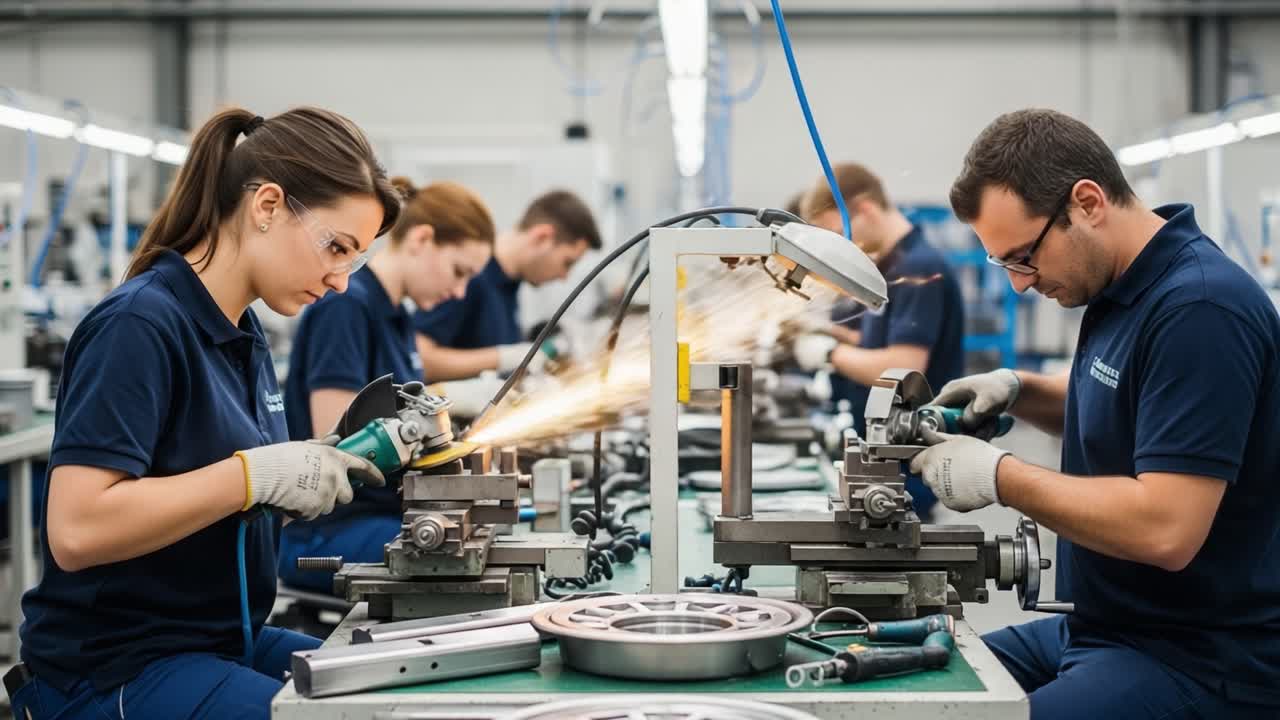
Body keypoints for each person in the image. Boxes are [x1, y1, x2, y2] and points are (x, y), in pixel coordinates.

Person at [9, 107, 400, 720]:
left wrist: (305, 473)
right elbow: (77, 530)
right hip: (118, 667)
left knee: (395, 686)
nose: (341, 281)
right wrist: (252, 475)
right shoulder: (139, 325)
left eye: (355, 261)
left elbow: (228, 491)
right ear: (267, 205)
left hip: (219, 639)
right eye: (335, 247)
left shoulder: (242, 334)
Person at [910, 108, 1280, 719]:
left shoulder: (1201, 310)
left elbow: (1166, 528)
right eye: (1006, 264)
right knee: (926, 689)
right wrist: (1017, 389)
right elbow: (1122, 402)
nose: (1020, 286)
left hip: (1197, 656)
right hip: (1102, 627)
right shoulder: (1118, 287)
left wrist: (996, 475)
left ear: (1087, 203)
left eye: (1023, 257)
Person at [277, 178, 495, 592]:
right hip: (326, 533)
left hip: (378, 519)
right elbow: (341, 448)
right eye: (459, 271)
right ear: (422, 239)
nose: (460, 291)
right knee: (455, 566)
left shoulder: (397, 317)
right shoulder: (347, 308)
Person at [794, 163, 966, 516]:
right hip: (884, 459)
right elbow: (876, 344)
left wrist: (828, 353)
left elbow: (902, 368)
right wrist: (824, 330)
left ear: (865, 210)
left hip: (905, 466)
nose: (842, 247)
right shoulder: (891, 268)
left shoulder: (917, 269)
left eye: (839, 234)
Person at [413, 190, 602, 397]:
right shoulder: (470, 277)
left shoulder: (510, 284)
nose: (564, 276)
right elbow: (420, 358)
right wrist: (503, 358)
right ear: (542, 237)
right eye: (567, 262)